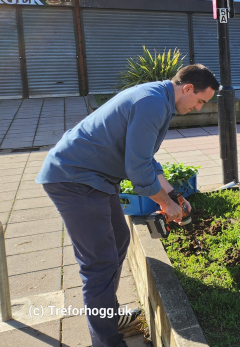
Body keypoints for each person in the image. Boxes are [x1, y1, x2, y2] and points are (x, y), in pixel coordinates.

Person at [36, 64, 219, 347]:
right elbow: (137, 168)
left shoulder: (158, 98)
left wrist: (175, 196)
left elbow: (147, 158)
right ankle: (107, 340)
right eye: (200, 100)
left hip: (95, 178)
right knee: (99, 264)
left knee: (119, 239)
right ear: (188, 88)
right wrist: (164, 203)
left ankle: (108, 316)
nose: (198, 107)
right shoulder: (152, 103)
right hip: (75, 179)